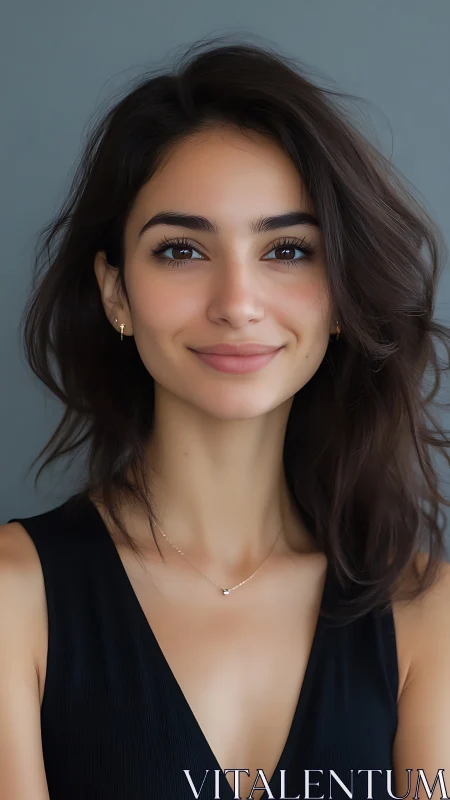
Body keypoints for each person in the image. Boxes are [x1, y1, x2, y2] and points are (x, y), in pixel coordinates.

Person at [1, 36, 450, 800]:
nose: (237, 303)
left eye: (287, 250)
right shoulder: (15, 599)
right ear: (116, 294)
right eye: (180, 250)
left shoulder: (424, 609)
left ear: (340, 294)